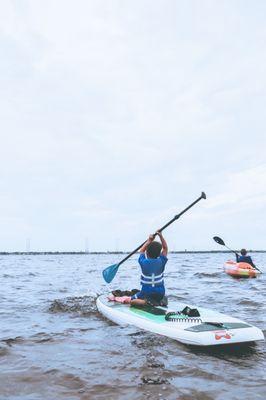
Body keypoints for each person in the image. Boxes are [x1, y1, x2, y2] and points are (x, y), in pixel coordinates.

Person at [109, 231, 168, 306]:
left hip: (146, 293)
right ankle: (159, 301)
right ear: (159, 253)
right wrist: (161, 236)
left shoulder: (144, 262)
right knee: (160, 296)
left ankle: (146, 302)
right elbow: (165, 248)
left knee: (130, 300)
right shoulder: (161, 261)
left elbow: (141, 250)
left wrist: (149, 240)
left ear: (147, 253)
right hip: (160, 293)